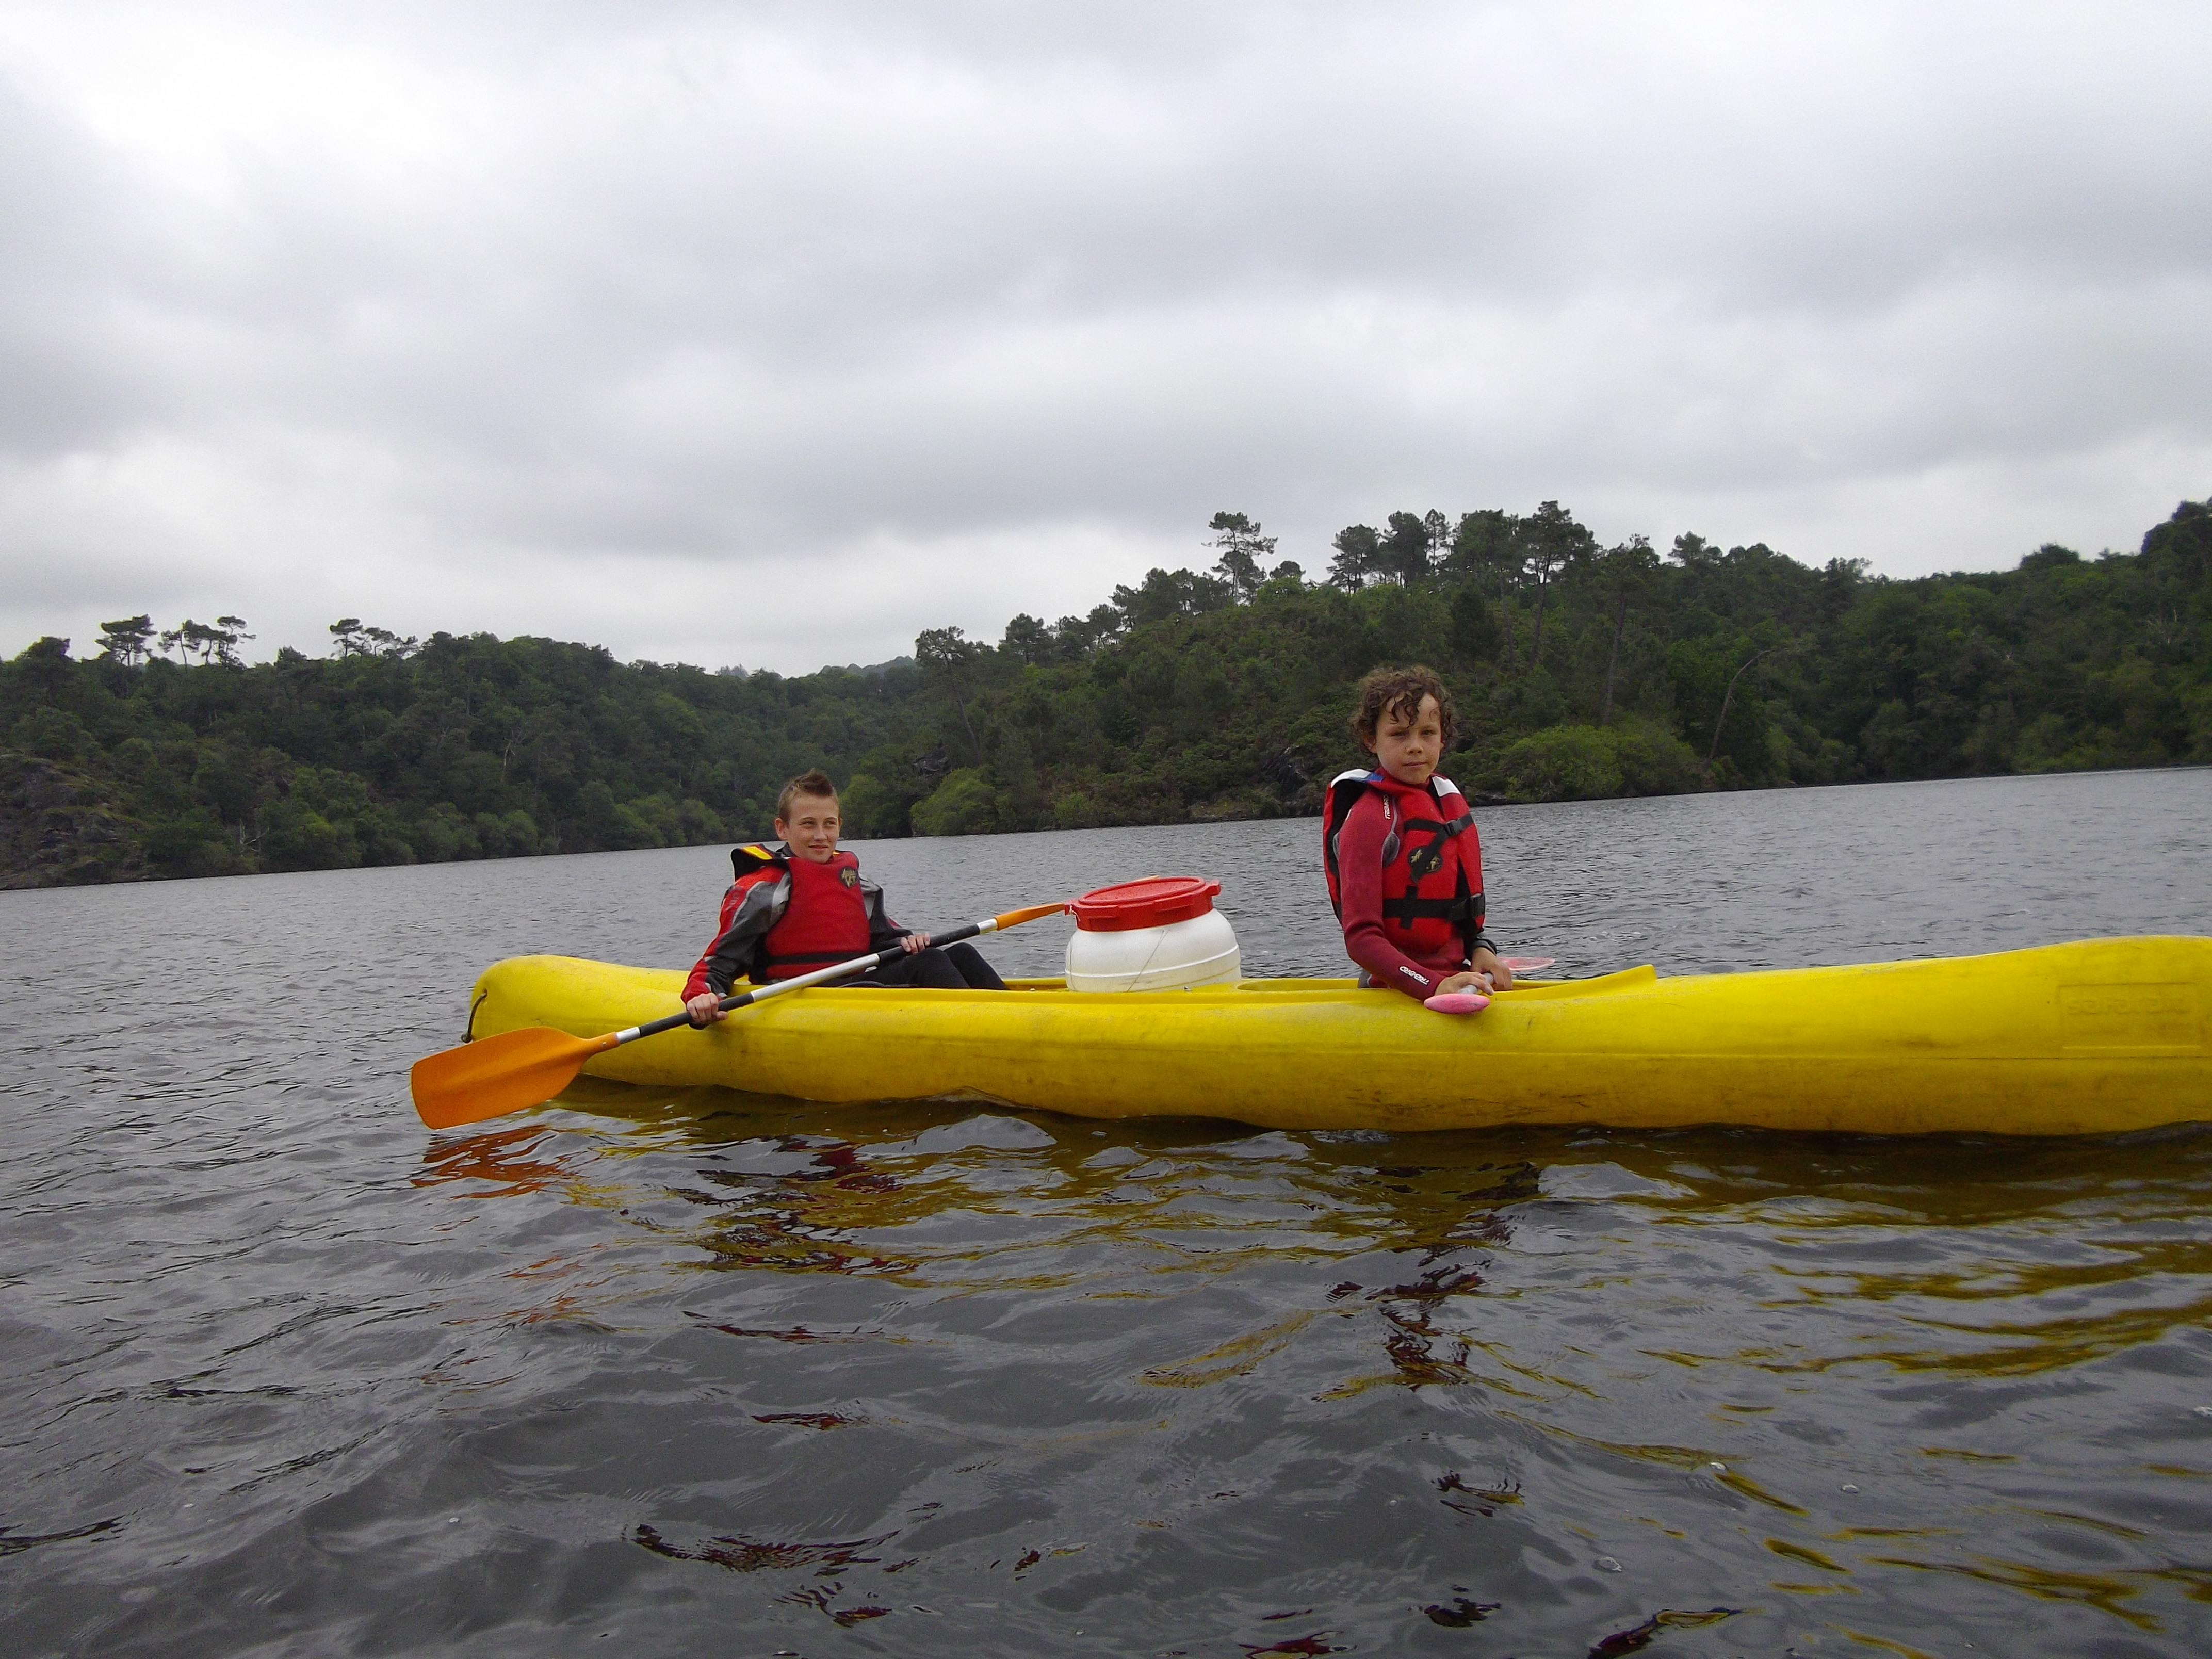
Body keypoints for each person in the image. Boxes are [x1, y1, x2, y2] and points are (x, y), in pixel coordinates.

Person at [682, 769, 1005, 1025]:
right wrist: (702, 995)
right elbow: (720, 959)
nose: (821, 836)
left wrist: (908, 941)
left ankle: (1013, 1019)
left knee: (962, 953)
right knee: (930, 962)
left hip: (854, 987)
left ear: (839, 825)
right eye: (808, 825)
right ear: (782, 828)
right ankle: (984, 1033)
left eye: (829, 825)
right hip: (803, 998)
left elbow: (884, 940)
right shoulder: (763, 889)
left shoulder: (856, 883)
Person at [1321, 665, 1514, 1003]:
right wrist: (1433, 986)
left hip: (1458, 981)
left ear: (1443, 737)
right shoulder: (1368, 819)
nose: (1415, 747)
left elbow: (1460, 911)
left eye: (1427, 733)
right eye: (1399, 734)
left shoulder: (1443, 803)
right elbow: (1362, 940)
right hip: (1396, 993)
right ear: (1371, 739)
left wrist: (1481, 948)